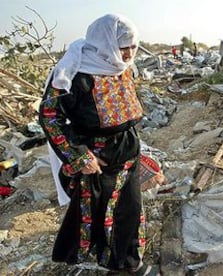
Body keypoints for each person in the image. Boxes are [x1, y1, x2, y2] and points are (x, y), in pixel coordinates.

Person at [38, 14, 161, 275]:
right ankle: (119, 263)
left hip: (127, 152)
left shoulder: (120, 66)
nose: (128, 53)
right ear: (105, 43)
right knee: (102, 213)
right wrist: (81, 156)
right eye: (122, 46)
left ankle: (126, 260)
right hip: (99, 158)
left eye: (132, 46)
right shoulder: (77, 74)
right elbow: (50, 116)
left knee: (129, 209)